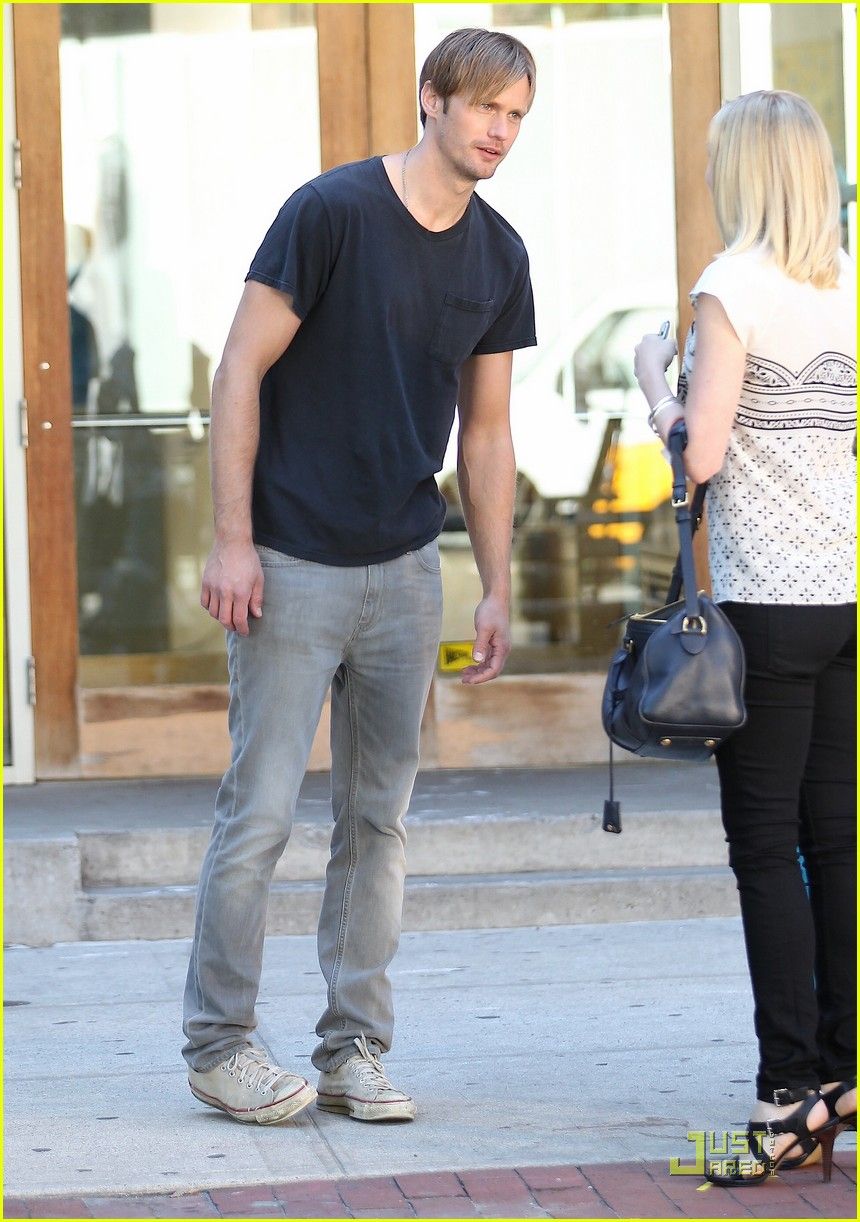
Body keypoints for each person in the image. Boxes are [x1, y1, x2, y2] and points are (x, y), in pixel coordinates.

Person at [182, 28, 537, 1126]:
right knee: (260, 814)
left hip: (405, 569)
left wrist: (494, 582)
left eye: (516, 116)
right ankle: (219, 1047)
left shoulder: (499, 254)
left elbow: (486, 433)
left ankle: (352, 1050)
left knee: (378, 823)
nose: (499, 131)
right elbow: (238, 367)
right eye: (484, 107)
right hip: (291, 560)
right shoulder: (330, 212)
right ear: (431, 99)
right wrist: (231, 538)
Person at [634, 90, 856, 1184]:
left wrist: (651, 380)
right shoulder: (843, 282)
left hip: (766, 606)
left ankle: (783, 1097)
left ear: (745, 173)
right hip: (844, 600)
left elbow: (702, 452)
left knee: (765, 847)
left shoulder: (730, 286)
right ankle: (843, 1075)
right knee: (838, 840)